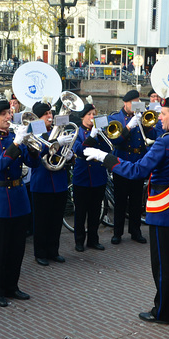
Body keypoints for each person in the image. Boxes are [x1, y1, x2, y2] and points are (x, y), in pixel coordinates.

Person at [85, 95, 169, 324]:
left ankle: (163, 313)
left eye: (163, 114)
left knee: (162, 266)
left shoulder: (166, 141)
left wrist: (105, 157)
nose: (159, 117)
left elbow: (137, 171)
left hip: (163, 207)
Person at [0, 101, 40, 307]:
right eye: (3, 114)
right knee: (0, 248)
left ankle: (13, 286)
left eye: (9, 113)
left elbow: (33, 164)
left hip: (19, 196)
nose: (8, 117)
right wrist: (17, 144)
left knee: (17, 247)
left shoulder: (15, 137)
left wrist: (32, 147)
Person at [107, 89, 154, 245]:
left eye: (137, 102)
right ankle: (117, 232)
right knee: (120, 200)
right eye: (133, 103)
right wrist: (128, 127)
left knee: (136, 200)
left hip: (138, 161)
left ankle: (135, 231)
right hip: (122, 161)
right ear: (125, 103)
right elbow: (115, 141)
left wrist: (145, 125)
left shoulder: (141, 116)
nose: (136, 106)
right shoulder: (115, 118)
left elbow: (152, 136)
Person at [30, 101, 73, 266]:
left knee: (56, 220)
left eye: (50, 113)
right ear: (38, 118)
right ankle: (40, 253)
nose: (50, 116)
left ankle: (53, 251)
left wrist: (70, 155)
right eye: (46, 114)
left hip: (60, 181)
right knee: (41, 221)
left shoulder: (58, 131)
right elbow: (37, 151)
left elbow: (66, 155)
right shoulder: (34, 132)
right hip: (42, 182)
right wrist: (56, 141)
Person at [71, 102, 109, 252]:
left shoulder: (99, 132)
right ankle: (79, 241)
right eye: (89, 115)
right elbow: (80, 150)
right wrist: (92, 136)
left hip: (98, 176)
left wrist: (102, 135)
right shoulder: (77, 132)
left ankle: (93, 240)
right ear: (82, 117)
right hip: (82, 176)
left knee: (95, 211)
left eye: (94, 114)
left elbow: (108, 149)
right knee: (80, 212)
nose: (92, 117)